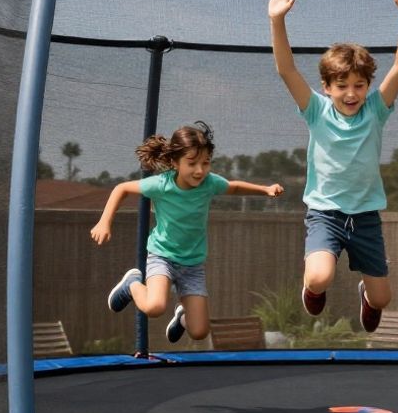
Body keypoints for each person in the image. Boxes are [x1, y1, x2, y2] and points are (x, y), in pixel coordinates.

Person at [267, 0, 398, 333]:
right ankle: (312, 286)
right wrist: (277, 21)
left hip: (365, 217)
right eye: (342, 86)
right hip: (326, 213)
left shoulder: (376, 110)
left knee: (383, 300)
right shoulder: (316, 111)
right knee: (320, 277)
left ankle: (367, 294)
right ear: (327, 87)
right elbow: (286, 70)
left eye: (359, 85)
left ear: (367, 86)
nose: (351, 93)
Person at [91, 122, 283, 343]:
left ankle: (182, 316)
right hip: (162, 257)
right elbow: (121, 189)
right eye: (192, 163)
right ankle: (132, 284)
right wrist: (105, 222)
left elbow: (234, 187)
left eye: (206, 163)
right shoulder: (161, 185)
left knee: (200, 331)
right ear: (175, 163)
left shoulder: (209, 183)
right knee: (155, 307)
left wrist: (265, 189)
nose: (200, 170)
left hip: (192, 265)